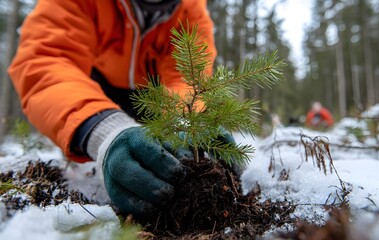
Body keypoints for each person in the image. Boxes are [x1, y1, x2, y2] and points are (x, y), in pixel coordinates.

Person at [8, 0, 233, 217]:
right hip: (94, 90)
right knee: (127, 152)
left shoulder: (190, 8)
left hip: (154, 98)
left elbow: (184, 77)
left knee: (157, 156)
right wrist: (103, 128)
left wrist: (184, 120)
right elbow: (48, 59)